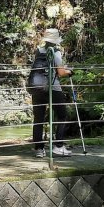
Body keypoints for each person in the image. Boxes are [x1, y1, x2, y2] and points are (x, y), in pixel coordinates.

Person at [28, 28, 74, 158]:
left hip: (37, 88)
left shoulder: (38, 51)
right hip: (52, 87)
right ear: (56, 41)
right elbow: (60, 72)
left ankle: (39, 149)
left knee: (38, 119)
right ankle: (58, 146)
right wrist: (70, 72)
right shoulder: (56, 52)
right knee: (62, 115)